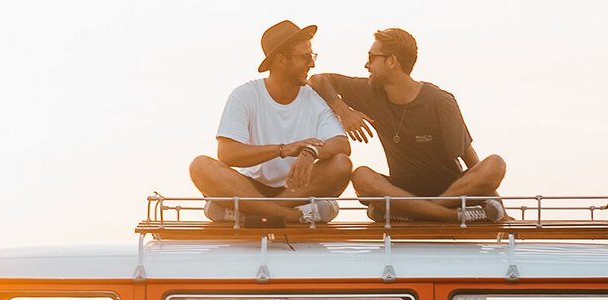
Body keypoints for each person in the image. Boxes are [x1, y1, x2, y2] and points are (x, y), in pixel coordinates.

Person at [309, 28, 506, 223]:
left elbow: (469, 157)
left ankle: (417, 212)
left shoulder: (439, 101)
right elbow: (318, 80)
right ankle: (450, 216)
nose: (366, 65)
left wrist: (495, 200)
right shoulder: (369, 91)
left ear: (392, 61)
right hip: (402, 191)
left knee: (495, 164)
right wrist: (344, 111)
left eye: (372, 57)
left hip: (450, 190)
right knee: (361, 176)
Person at [189, 20, 352, 225]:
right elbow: (227, 154)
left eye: (312, 56)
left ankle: (253, 212)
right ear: (280, 60)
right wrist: (283, 149)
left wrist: (311, 151)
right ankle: (291, 215)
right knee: (200, 165)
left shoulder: (315, 99)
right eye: (305, 57)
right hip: (249, 187)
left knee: (341, 164)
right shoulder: (245, 95)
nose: (312, 63)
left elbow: (342, 145)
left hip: (298, 189)